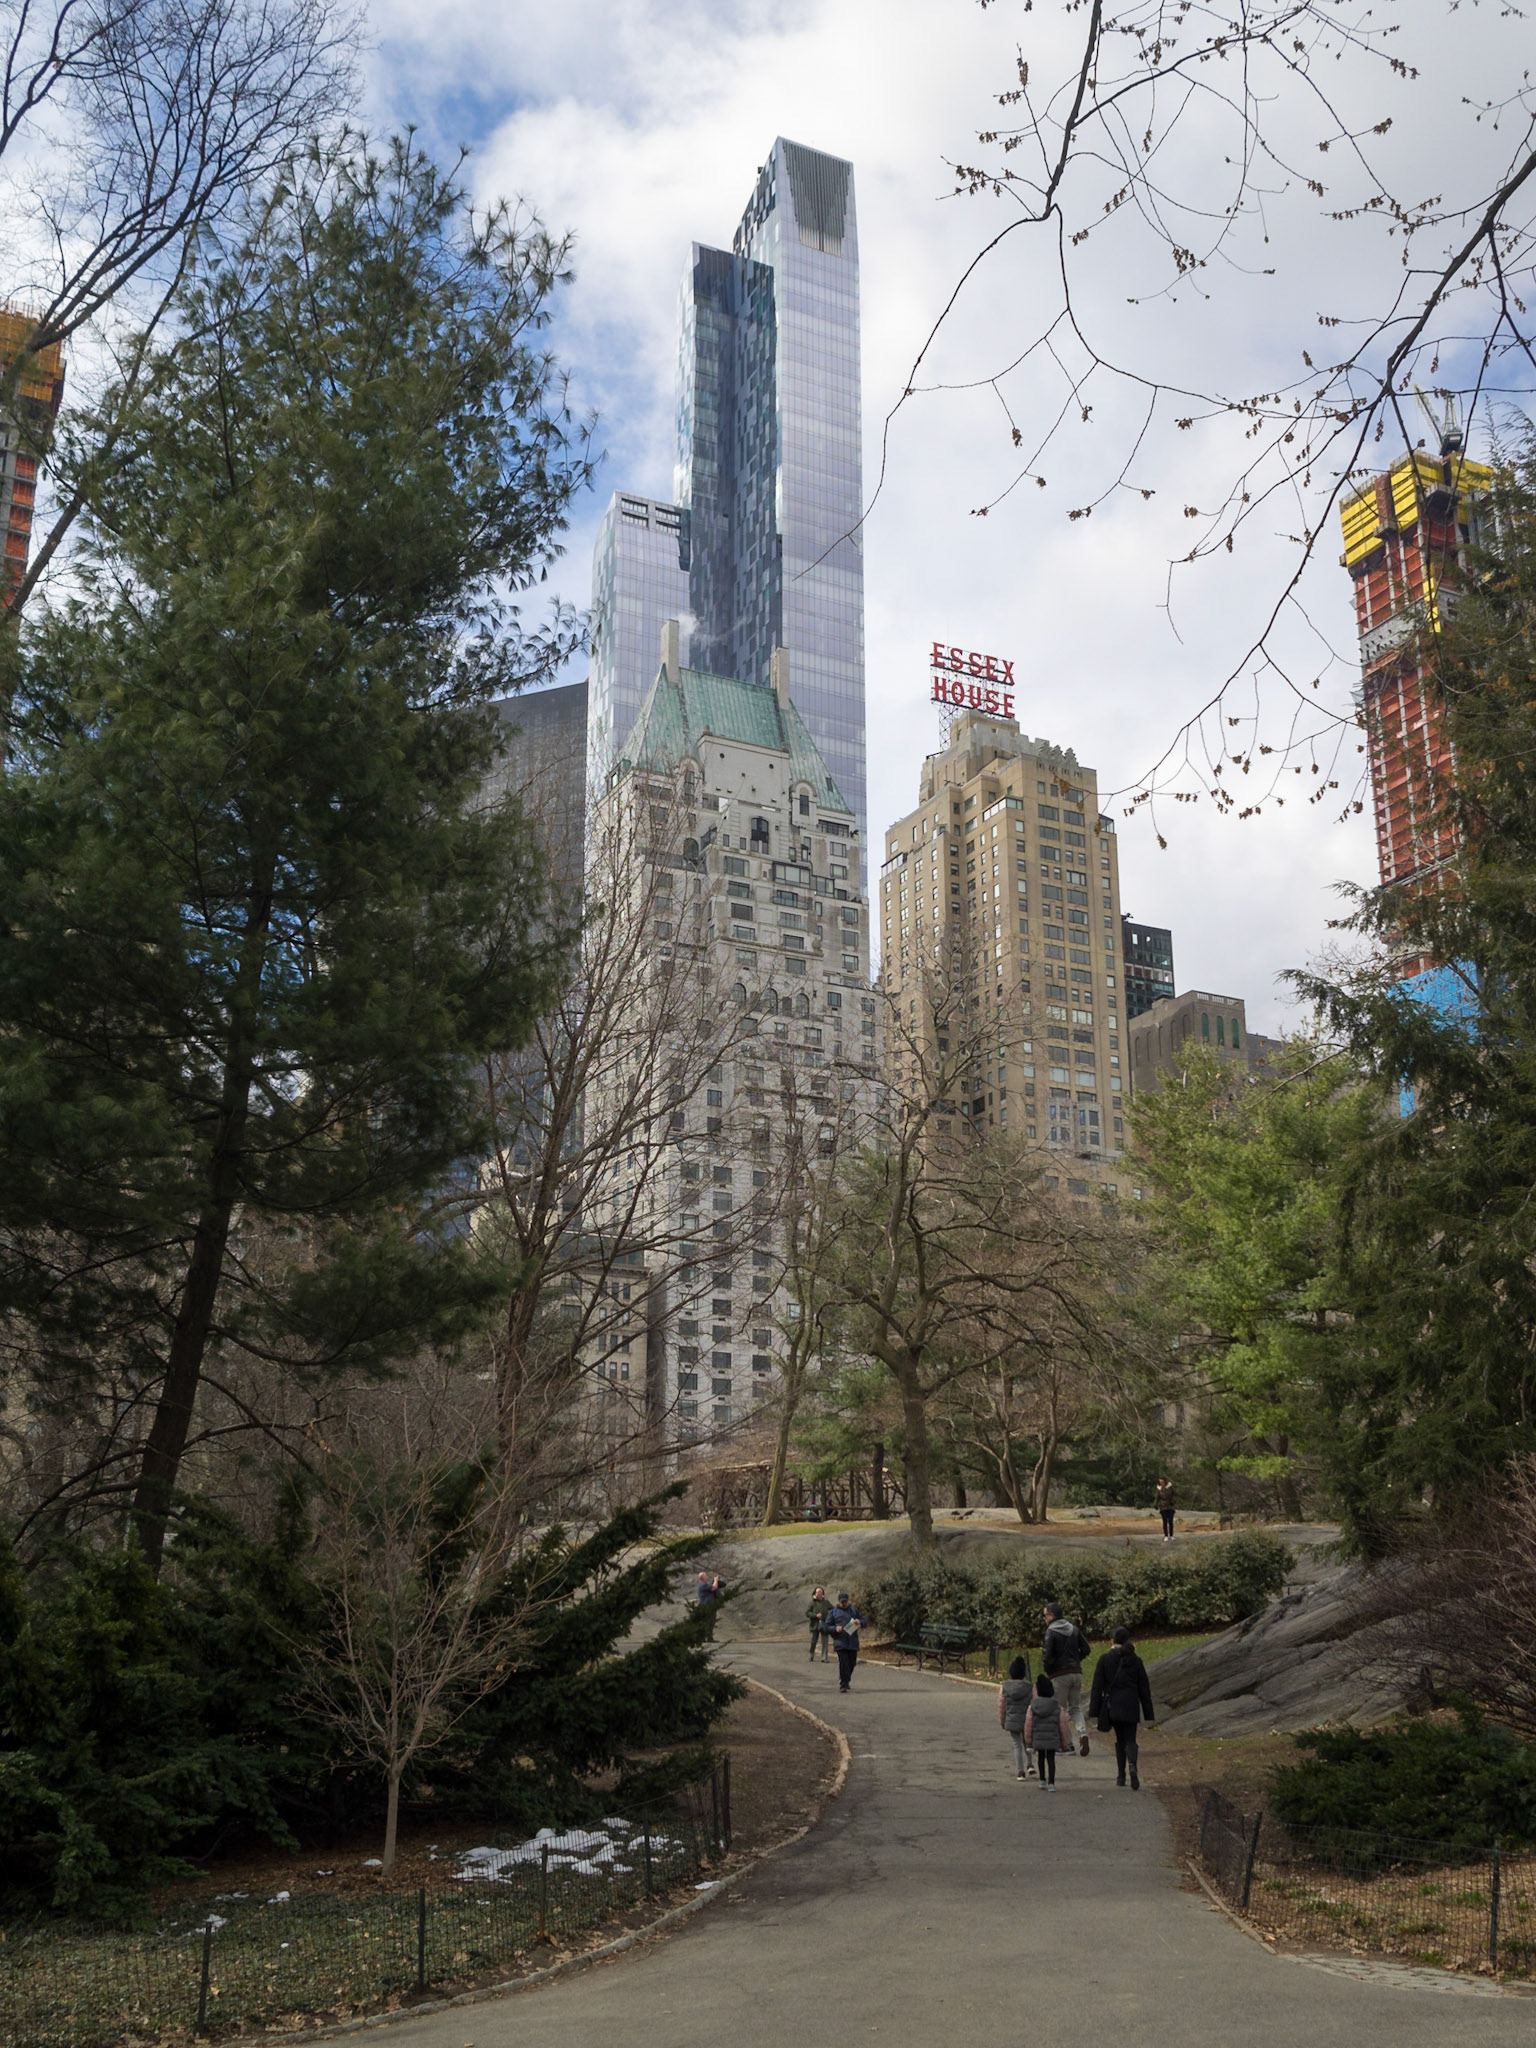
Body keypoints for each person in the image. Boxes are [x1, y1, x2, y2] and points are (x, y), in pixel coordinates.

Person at [1089, 1625, 1156, 1788]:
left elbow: (1097, 1686)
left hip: (1114, 1705)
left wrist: (1094, 1710)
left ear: (1112, 1640)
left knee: (1120, 1740)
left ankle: (1121, 1776)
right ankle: (1132, 1765)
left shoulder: (1105, 1659)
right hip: (1131, 1704)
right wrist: (1148, 1712)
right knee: (1131, 1738)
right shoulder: (1136, 1660)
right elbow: (1144, 1687)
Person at [1041, 1600, 1093, 1756]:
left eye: (1045, 1615)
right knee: (1075, 1707)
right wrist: (1076, 1660)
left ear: (1051, 1615)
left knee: (1059, 1709)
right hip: (1076, 1672)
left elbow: (1047, 1656)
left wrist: (1049, 1670)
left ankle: (1067, 1744)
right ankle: (1082, 1733)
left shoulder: (1051, 1632)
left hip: (1059, 1674)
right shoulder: (1073, 1629)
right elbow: (1086, 1648)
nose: (1044, 1619)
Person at [1023, 1674, 1071, 1789]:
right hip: (1052, 1738)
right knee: (1051, 1759)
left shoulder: (1032, 1706)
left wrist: (1029, 1742)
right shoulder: (1057, 1707)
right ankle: (1051, 1783)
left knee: (1040, 1758)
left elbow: (1028, 1725)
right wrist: (1064, 1743)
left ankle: (1042, 1780)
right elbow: (1063, 1726)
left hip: (1038, 1737)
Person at [997, 1653, 1035, 1779]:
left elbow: (1001, 1706)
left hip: (1012, 1720)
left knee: (1017, 1745)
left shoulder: (1004, 1687)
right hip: (1026, 1720)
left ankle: (1020, 1771)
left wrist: (1003, 1721)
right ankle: (1030, 1764)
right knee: (1027, 1742)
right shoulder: (1029, 1687)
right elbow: (1034, 1704)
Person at [826, 1591, 864, 1692]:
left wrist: (860, 1621)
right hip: (840, 1642)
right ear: (839, 1602)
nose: (843, 1603)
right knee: (844, 1663)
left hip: (853, 1641)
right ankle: (843, 1684)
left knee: (852, 1663)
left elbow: (864, 1621)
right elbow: (826, 1627)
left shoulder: (854, 1611)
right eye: (842, 1602)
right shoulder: (833, 1612)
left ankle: (846, 1679)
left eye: (845, 1602)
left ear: (848, 1601)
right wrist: (835, 1628)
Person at [806, 1585, 832, 1662]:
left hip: (824, 1624)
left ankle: (824, 1657)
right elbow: (807, 1613)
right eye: (817, 1592)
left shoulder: (826, 1602)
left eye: (820, 1592)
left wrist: (829, 1616)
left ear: (823, 1593)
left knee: (825, 1642)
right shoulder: (812, 1603)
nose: (819, 1593)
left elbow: (833, 1610)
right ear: (815, 1593)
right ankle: (811, 1654)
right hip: (814, 1625)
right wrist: (815, 1615)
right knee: (813, 1641)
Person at [1155, 1477, 1177, 1542]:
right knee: (1164, 1521)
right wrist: (1156, 1504)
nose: (1161, 1483)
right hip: (1163, 1507)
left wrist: (1173, 1501)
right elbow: (1157, 1497)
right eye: (1160, 1482)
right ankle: (1166, 1536)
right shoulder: (1159, 1489)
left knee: (1170, 1521)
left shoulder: (1170, 1487)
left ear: (1165, 1482)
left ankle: (1171, 1535)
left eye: (1162, 1482)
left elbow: (1175, 1494)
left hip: (1170, 1506)